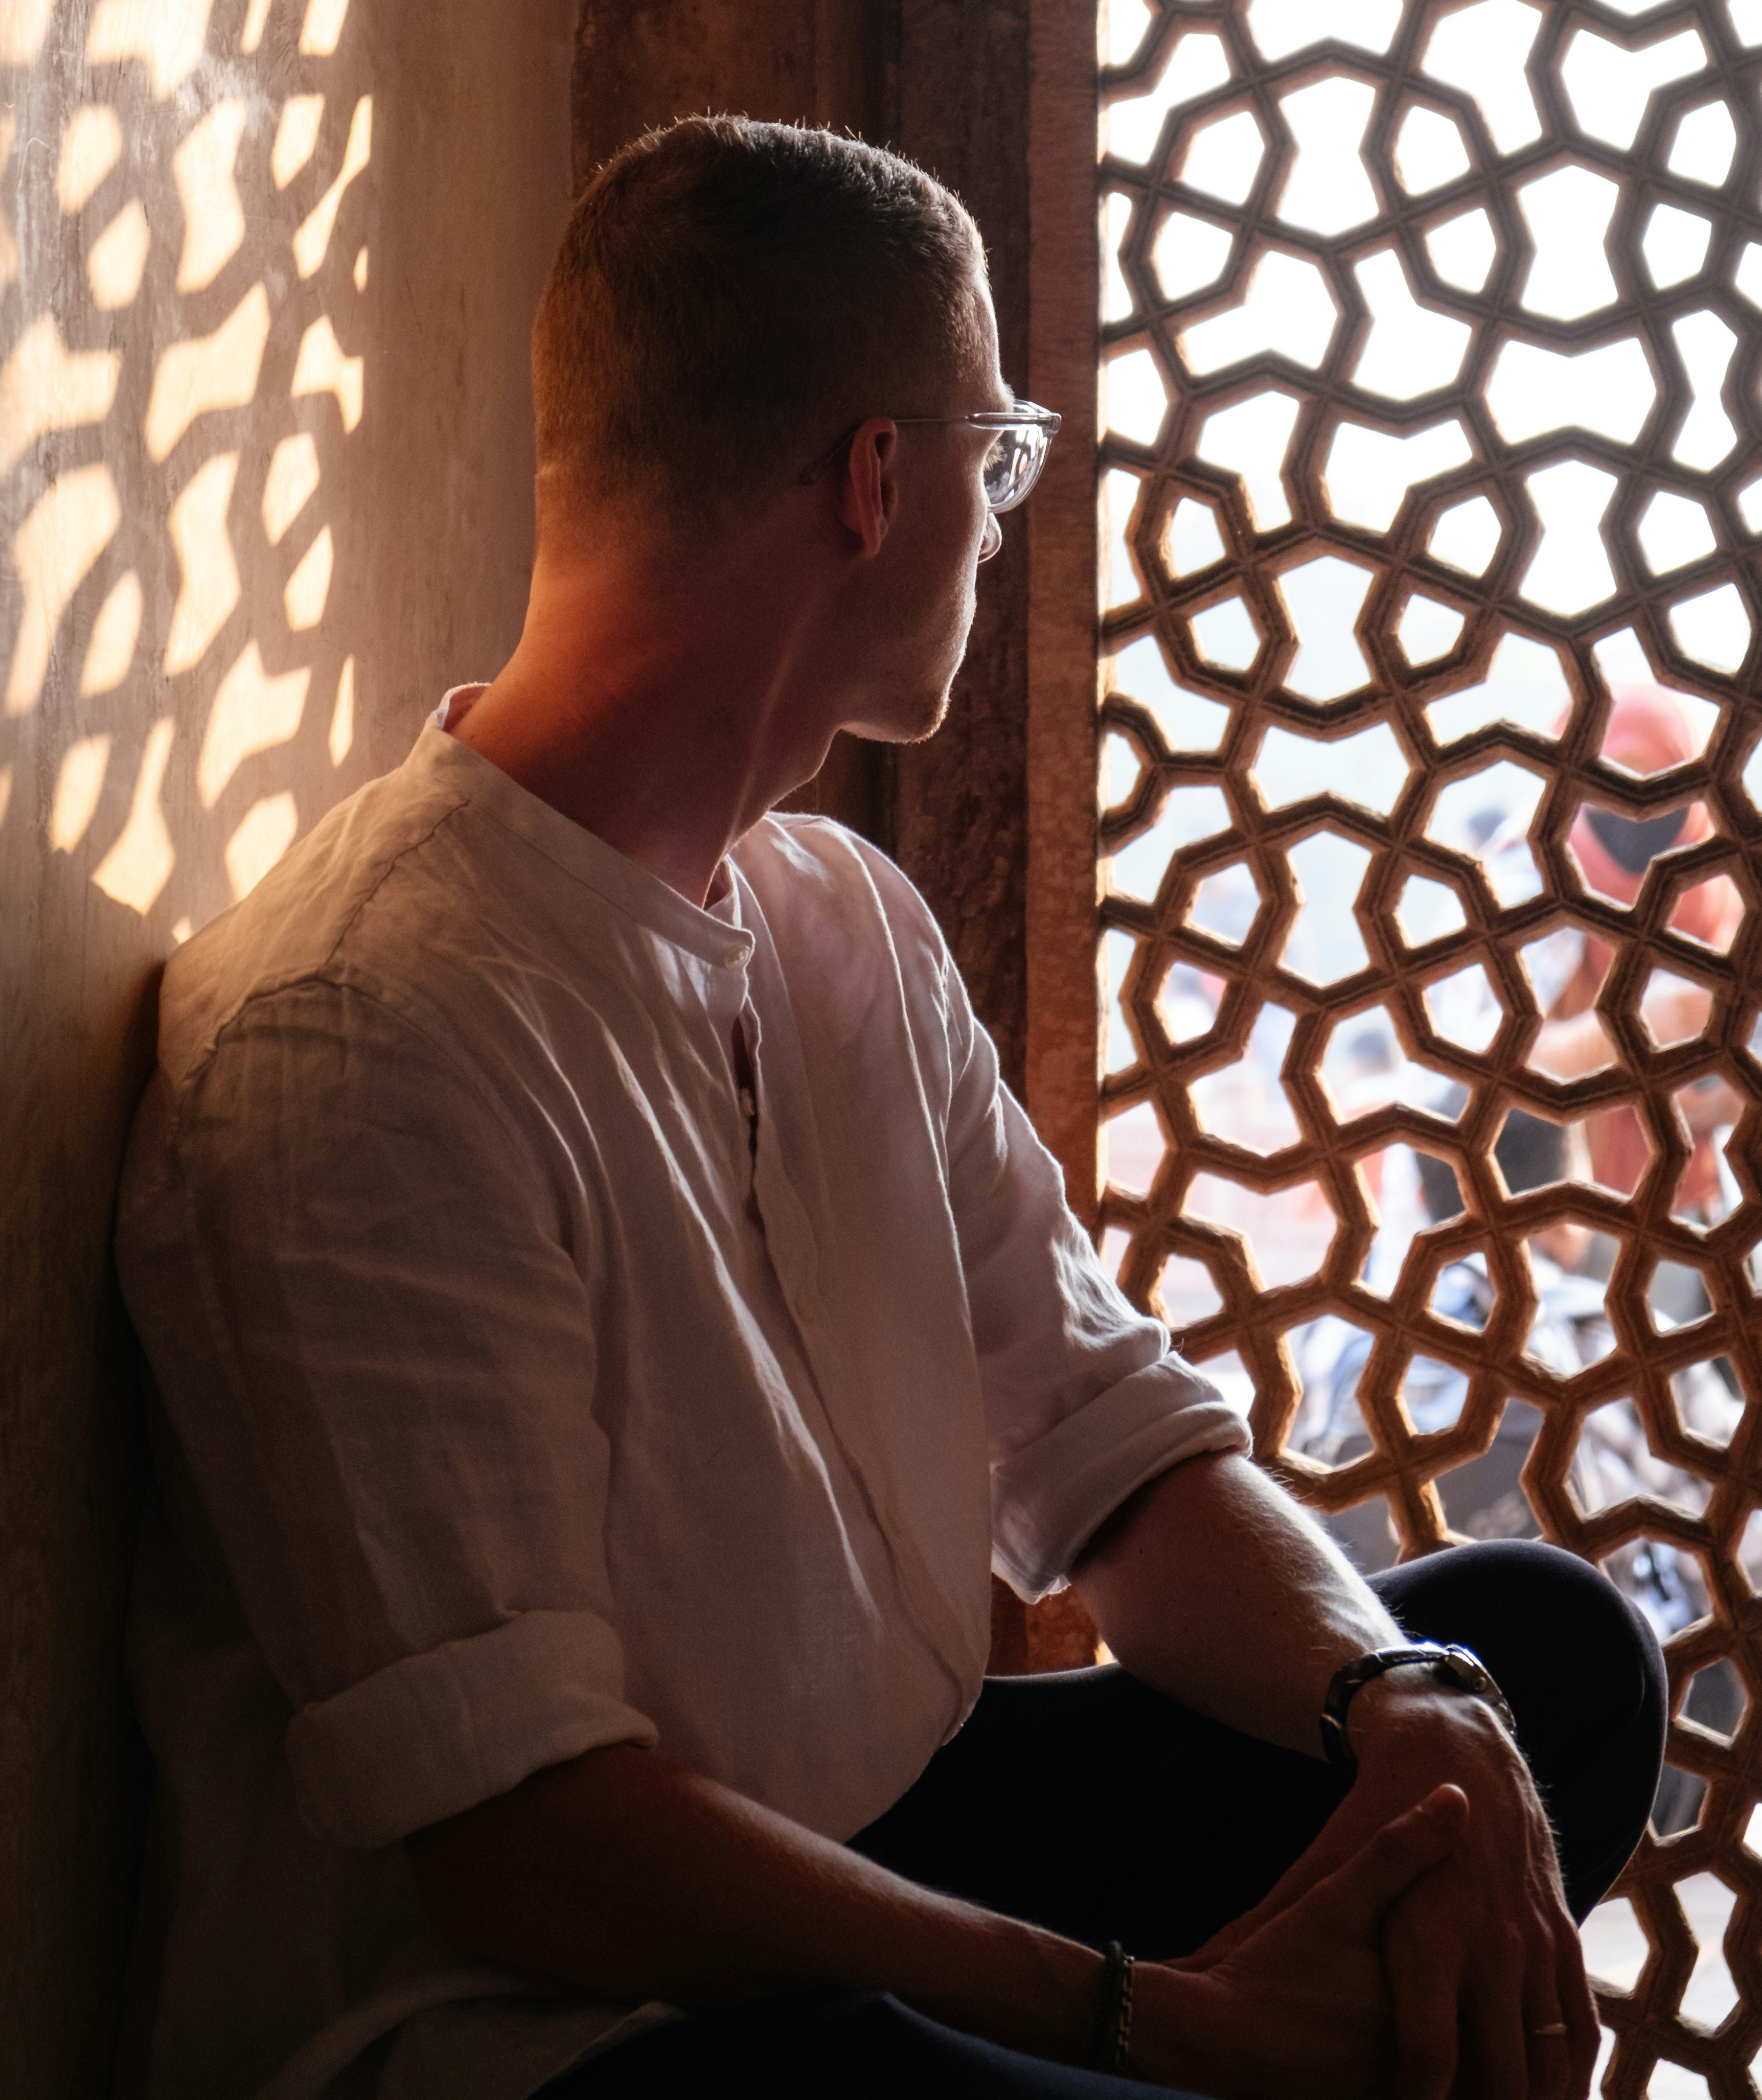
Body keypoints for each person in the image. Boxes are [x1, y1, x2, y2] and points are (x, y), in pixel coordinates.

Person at [115, 119, 1663, 2100]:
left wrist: (1406, 1699)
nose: (1001, 526)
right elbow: (526, 1841)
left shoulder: (840, 917)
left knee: (1532, 1670)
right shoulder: (366, 1025)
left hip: (891, 1832)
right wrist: (1154, 2012)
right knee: (868, 2070)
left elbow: (1105, 1439)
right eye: (996, 460)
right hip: (577, 2017)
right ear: (876, 479)